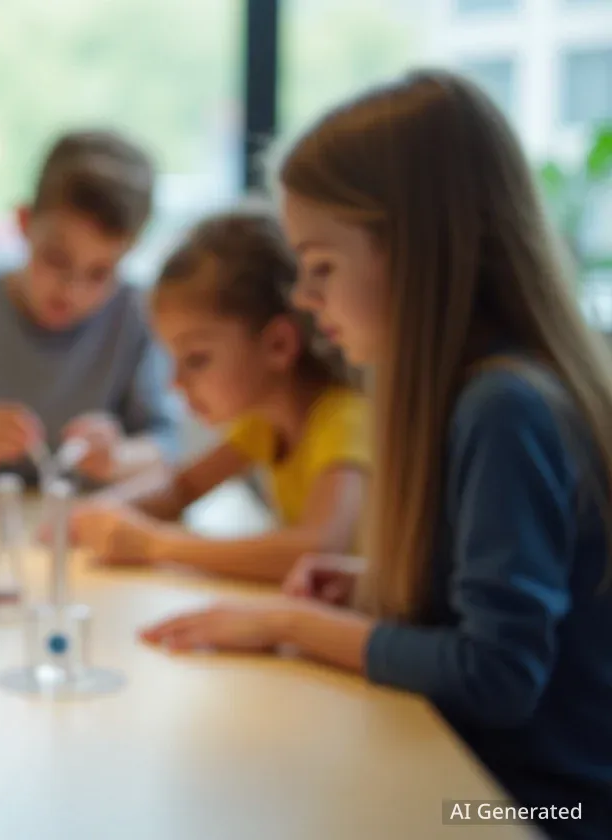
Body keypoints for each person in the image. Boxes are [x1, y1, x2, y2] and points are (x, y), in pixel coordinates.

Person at [141, 70, 612, 838]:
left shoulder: (505, 408)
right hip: (488, 778)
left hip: (544, 808)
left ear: (419, 252)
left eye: (321, 266)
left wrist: (288, 626)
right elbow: (497, 613)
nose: (302, 296)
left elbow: (498, 677)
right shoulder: (470, 396)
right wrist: (380, 585)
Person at [67, 208, 368, 583]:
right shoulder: (265, 424)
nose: (174, 383)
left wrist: (155, 545)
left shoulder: (345, 420)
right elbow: (182, 487)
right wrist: (95, 514)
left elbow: (317, 549)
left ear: (278, 344)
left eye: (196, 359)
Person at [0, 129, 183, 490]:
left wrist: (121, 456)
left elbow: (166, 447)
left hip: (90, 525)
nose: (72, 291)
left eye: (99, 273)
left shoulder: (137, 315)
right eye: (56, 259)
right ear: (23, 222)